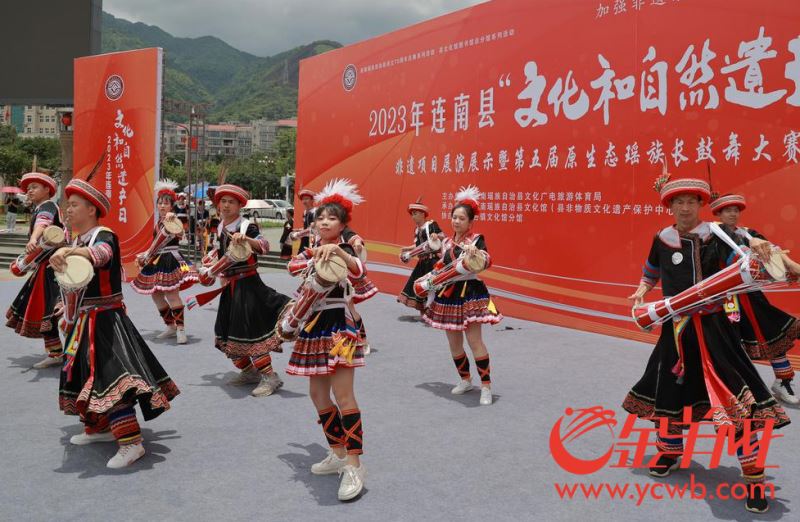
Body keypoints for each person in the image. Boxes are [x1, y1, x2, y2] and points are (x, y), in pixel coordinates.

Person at [623, 177, 792, 514]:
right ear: (670, 206)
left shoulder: (717, 234)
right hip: (676, 329)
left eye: (691, 202)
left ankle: (753, 477)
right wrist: (642, 289)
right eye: (679, 202)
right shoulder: (662, 237)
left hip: (715, 328)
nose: (685, 208)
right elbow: (652, 269)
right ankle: (670, 451)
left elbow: (745, 251)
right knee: (668, 389)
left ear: (700, 205)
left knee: (736, 399)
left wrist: (758, 245)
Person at [52, 178, 179, 469]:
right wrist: (64, 305)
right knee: (85, 376)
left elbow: (101, 256)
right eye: (68, 205)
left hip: (106, 322)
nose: (68, 210)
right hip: (84, 320)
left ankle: (131, 443)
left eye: (74, 205)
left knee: (113, 379)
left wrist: (68, 252)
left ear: (92, 210)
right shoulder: (77, 241)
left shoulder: (104, 236)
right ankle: (99, 428)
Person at [283, 178, 368, 501]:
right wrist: (313, 254)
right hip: (313, 326)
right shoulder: (312, 250)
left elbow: (359, 271)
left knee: (343, 395)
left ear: (343, 225)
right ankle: (338, 451)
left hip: (339, 327)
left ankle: (355, 465)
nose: (324, 222)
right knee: (317, 393)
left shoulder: (347, 249)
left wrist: (340, 252)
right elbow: (292, 266)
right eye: (320, 218)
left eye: (332, 218)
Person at [189, 183, 291, 397]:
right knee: (225, 332)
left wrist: (247, 240)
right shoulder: (220, 226)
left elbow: (264, 246)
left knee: (251, 333)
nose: (226, 205)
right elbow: (220, 252)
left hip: (249, 287)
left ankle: (270, 377)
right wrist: (208, 268)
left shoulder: (246, 227)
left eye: (231, 202)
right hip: (230, 287)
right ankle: (249, 372)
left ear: (240, 206)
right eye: (223, 201)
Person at [711, 193, 800, 405]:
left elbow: (774, 251)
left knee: (772, 335)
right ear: (719, 213)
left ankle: (783, 383)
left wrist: (791, 266)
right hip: (726, 298)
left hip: (751, 297)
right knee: (729, 343)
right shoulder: (713, 235)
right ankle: (734, 389)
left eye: (736, 210)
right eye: (728, 210)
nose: (733, 214)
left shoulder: (749, 234)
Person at [422, 185, 502, 406]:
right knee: (454, 342)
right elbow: (440, 267)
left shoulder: (476, 240)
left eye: (461, 218)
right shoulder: (447, 243)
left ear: (470, 222)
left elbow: (486, 260)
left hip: (470, 293)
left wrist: (477, 253)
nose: (456, 221)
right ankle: (465, 380)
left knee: (475, 341)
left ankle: (486, 386)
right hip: (448, 294)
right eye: (454, 217)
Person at [5, 172, 64, 369]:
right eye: (28, 188)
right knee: (47, 313)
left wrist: (33, 238)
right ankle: (57, 353)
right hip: (46, 267)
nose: (29, 191)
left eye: (34, 187)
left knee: (52, 312)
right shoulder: (42, 207)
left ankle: (71, 353)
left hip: (54, 269)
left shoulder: (47, 207)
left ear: (47, 189)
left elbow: (43, 223)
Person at [130, 180, 199, 345]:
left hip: (170, 259)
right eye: (160, 203)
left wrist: (172, 217)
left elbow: (179, 232)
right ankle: (171, 326)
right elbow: (156, 244)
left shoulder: (172, 218)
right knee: (156, 294)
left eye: (166, 203)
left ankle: (181, 329)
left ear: (172, 205)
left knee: (172, 294)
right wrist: (146, 255)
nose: (162, 206)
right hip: (158, 259)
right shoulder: (158, 221)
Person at [397, 197, 443, 313]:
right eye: (412, 214)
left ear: (423, 214)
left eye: (415, 214)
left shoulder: (431, 225)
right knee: (418, 286)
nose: (413, 217)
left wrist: (436, 236)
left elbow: (442, 236)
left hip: (432, 262)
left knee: (432, 286)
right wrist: (407, 249)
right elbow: (418, 246)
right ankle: (425, 311)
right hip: (422, 262)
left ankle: (433, 312)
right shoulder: (417, 230)